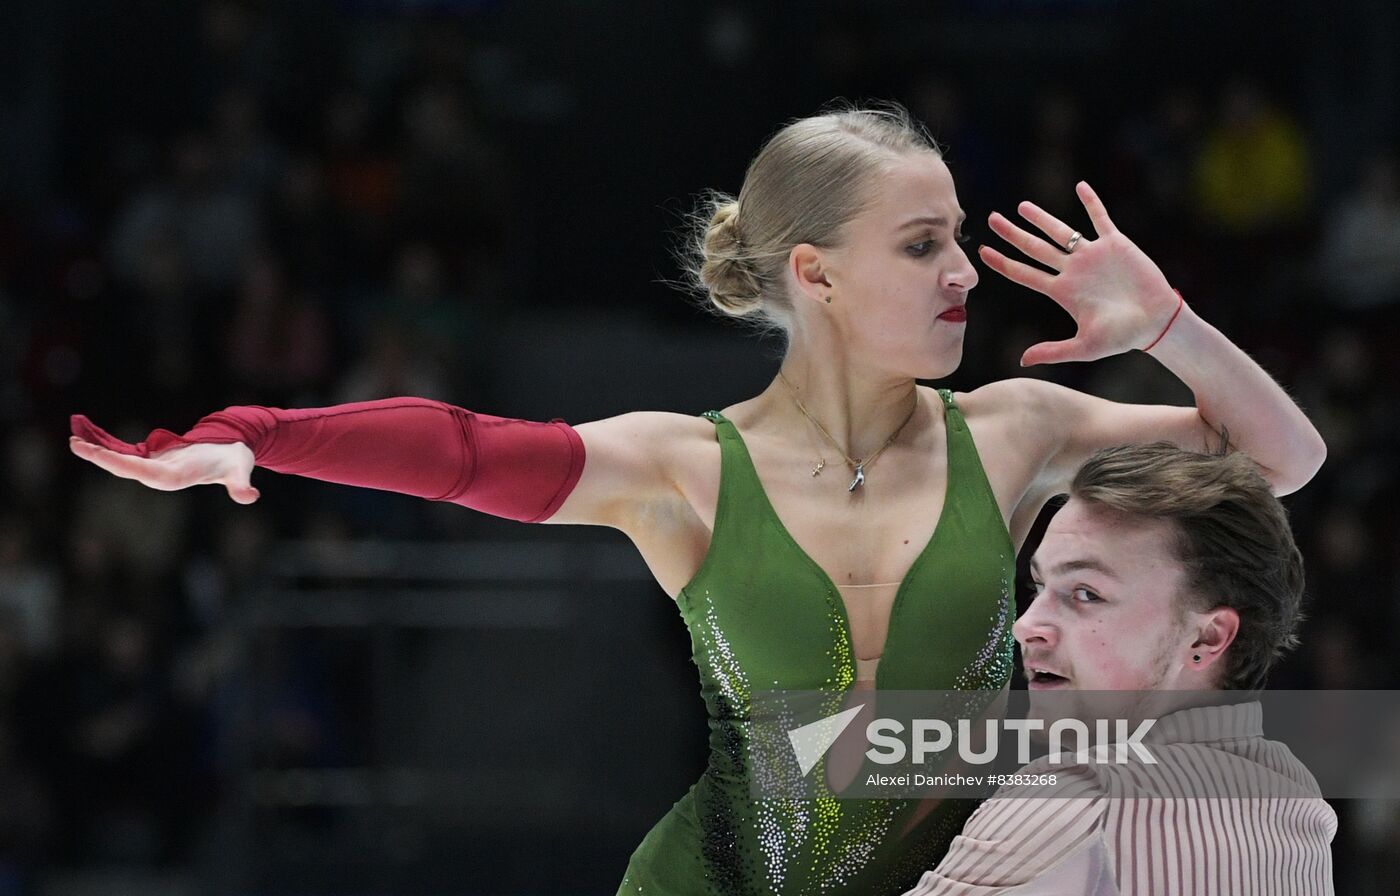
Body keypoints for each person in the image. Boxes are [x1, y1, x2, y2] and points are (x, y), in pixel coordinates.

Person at [68, 104, 1326, 895]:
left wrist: (1164, 322)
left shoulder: (1014, 429)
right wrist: (249, 436)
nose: (960, 273)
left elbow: (1278, 457)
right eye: (921, 244)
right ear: (813, 272)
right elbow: (459, 447)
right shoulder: (684, 468)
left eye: (956, 239)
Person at [905, 443, 1335, 895]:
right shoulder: (1299, 801)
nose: (1026, 626)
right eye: (1039, 586)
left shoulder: (1080, 799)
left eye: (1086, 594)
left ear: (1207, 637)